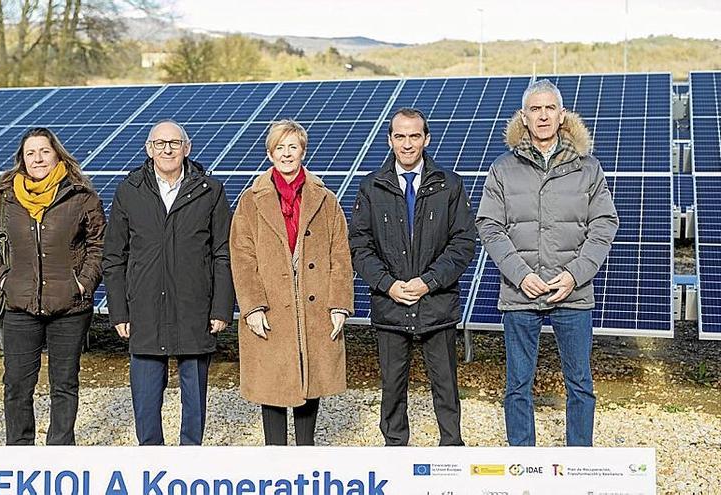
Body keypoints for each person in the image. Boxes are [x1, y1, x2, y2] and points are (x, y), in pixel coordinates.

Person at [476, 79, 618, 447]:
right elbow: (489, 226)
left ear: (562, 114)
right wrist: (521, 276)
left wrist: (574, 275)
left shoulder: (588, 169)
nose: (542, 115)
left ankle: (579, 461)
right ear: (523, 117)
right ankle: (524, 462)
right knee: (517, 385)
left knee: (581, 384)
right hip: (520, 294)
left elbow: (604, 225)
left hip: (572, 293)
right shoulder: (502, 169)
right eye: (534, 109)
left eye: (549, 108)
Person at [349, 108, 476, 447]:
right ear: (390, 140)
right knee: (392, 388)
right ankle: (394, 451)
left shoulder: (449, 185)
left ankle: (452, 450)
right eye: (400, 136)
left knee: (446, 387)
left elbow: (463, 243)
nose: (407, 144)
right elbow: (360, 246)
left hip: (436, 303)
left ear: (426, 139)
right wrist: (388, 284)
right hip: (390, 305)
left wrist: (429, 282)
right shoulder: (371, 187)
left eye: (414, 136)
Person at [102, 119, 233, 446]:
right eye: (160, 143)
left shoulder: (210, 192)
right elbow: (114, 256)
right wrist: (119, 311)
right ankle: (152, 462)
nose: (168, 149)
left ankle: (190, 464)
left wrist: (221, 308)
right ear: (149, 149)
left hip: (195, 307)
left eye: (175, 143)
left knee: (195, 400)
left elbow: (223, 253)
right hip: (144, 308)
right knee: (145, 400)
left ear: (187, 148)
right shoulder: (129, 191)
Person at [0, 127, 105, 445]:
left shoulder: (80, 195)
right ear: (21, 159)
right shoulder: (6, 198)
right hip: (20, 306)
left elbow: (99, 246)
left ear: (57, 155)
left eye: (44, 151)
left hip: (69, 307)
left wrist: (83, 283)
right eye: (30, 153)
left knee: (64, 383)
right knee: (17, 385)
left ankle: (60, 451)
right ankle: (20, 452)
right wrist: (4, 280)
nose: (38, 158)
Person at [230, 120, 354, 446]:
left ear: (303, 150)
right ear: (270, 154)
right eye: (280, 148)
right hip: (270, 305)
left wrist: (339, 304)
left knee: (309, 375)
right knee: (272, 381)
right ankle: (275, 455)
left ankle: (305, 452)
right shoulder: (250, 201)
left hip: (314, 305)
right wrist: (253, 307)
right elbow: (242, 257)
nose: (287, 154)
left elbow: (340, 253)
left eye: (293, 147)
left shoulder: (325, 199)